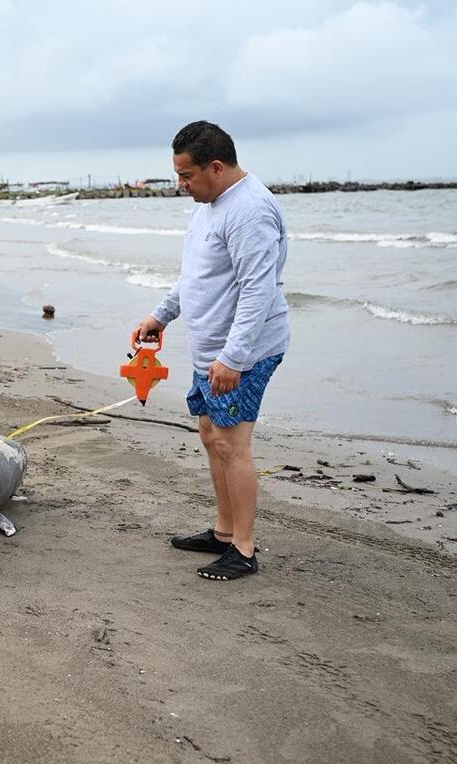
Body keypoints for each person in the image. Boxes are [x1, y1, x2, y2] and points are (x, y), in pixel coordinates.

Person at [135, 120, 290, 581]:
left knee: (231, 441)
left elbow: (257, 291)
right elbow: (195, 275)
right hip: (213, 351)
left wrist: (235, 358)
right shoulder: (210, 205)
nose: (182, 185)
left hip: (244, 351)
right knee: (210, 433)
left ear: (216, 167)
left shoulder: (251, 212)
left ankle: (243, 549)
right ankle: (224, 532)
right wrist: (161, 314)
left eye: (187, 176)